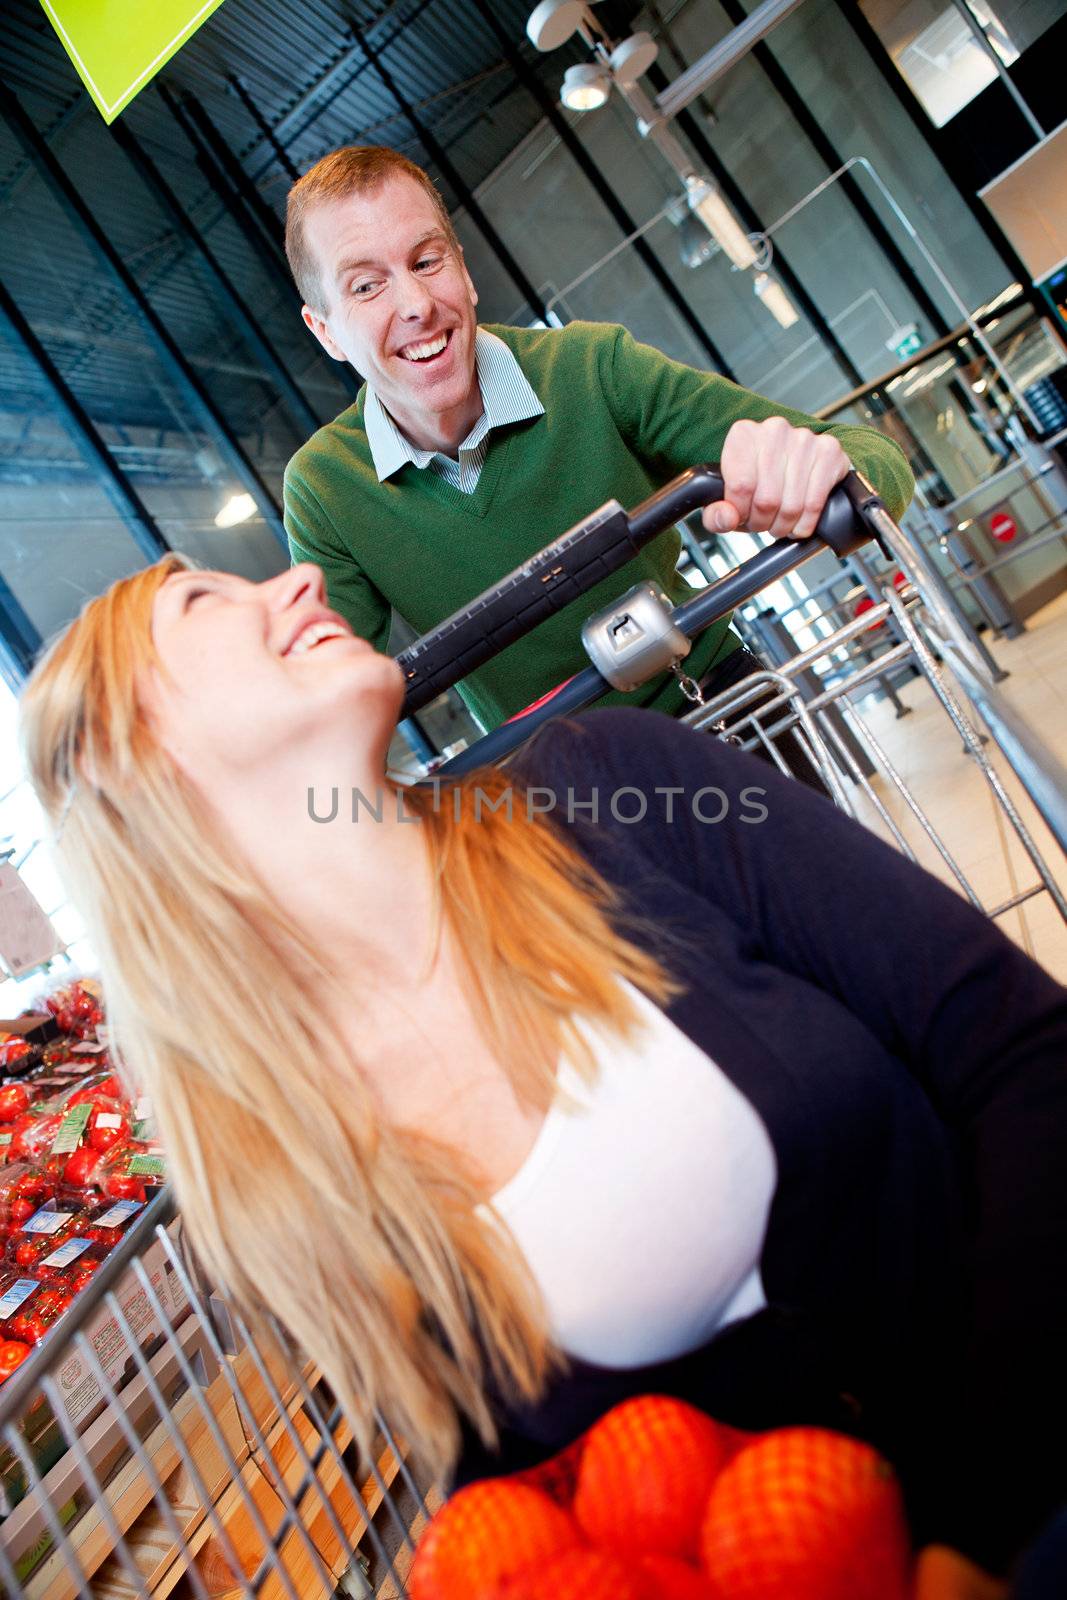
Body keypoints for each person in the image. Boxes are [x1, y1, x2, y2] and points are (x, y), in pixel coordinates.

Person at [20, 555, 1067, 1600]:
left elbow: (1020, 1053)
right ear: (129, 750)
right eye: (207, 601)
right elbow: (518, 1470)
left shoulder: (611, 785)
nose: (296, 579)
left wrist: (970, 1530)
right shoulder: (289, 1164)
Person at [283, 146, 914, 736]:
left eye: (427, 261)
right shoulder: (325, 489)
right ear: (326, 332)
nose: (417, 303)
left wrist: (827, 470)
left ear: (464, 273)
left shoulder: (591, 366)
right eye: (366, 286)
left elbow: (872, 458)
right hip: (562, 787)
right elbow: (334, 713)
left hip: (721, 706)